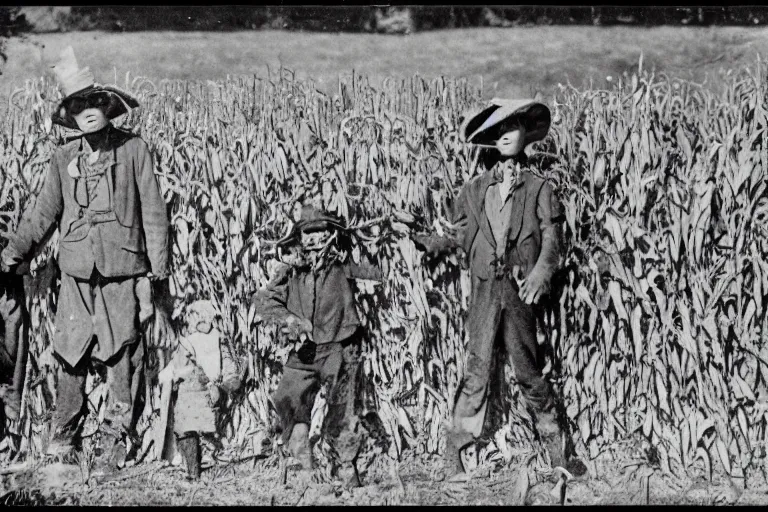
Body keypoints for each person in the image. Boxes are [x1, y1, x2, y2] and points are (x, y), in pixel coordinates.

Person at [0, 47, 172, 475]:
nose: (87, 112)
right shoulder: (63, 159)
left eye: (93, 103)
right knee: (69, 350)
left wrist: (155, 276)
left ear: (107, 106)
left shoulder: (133, 150)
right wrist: (12, 254)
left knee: (121, 355)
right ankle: (63, 439)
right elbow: (43, 214)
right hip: (76, 271)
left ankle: (115, 441)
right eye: (77, 107)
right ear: (71, 116)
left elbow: (154, 213)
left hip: (122, 271)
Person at [411, 99, 587, 482]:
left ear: (526, 131)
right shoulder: (473, 191)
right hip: (484, 293)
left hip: (521, 294)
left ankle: (558, 453)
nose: (506, 133)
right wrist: (424, 239)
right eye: (498, 128)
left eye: (514, 125)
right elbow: (456, 239)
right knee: (476, 370)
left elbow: (552, 240)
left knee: (528, 370)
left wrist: (540, 273)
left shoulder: (540, 188)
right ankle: (454, 458)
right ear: (491, 138)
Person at [251, 203, 383, 490]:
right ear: (299, 237)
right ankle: (304, 464)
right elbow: (264, 300)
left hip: (340, 346)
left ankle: (347, 471)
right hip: (305, 352)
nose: (312, 239)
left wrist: (382, 243)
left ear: (332, 234)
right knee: (287, 398)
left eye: (319, 232)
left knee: (342, 412)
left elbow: (379, 272)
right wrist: (289, 320)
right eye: (307, 233)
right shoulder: (291, 270)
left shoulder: (344, 264)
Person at [156, 300, 242, 480]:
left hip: (209, 390)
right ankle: (192, 469)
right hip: (190, 389)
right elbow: (175, 366)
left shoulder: (219, 341)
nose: (197, 323)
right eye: (194, 319)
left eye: (201, 318)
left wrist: (221, 388)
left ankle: (195, 468)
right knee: (185, 420)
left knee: (189, 416)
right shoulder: (187, 342)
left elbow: (232, 375)